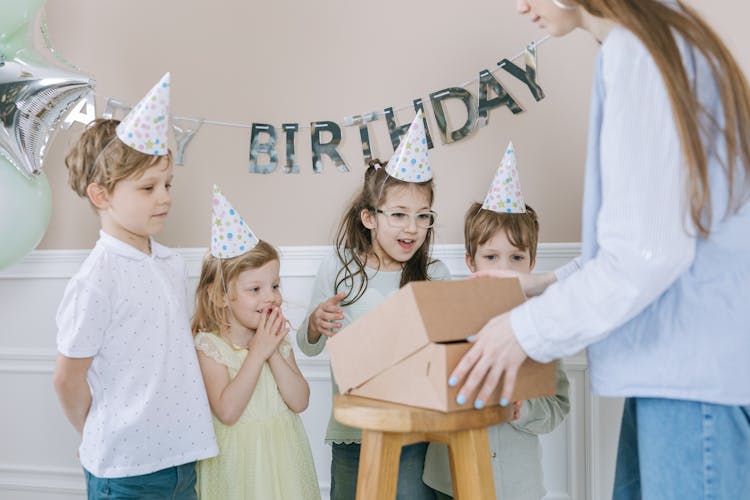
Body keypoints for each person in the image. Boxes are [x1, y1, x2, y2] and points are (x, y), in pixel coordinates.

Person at [450, 1, 750, 498]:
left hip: (689, 383)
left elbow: (645, 257)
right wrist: (538, 284)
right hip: (684, 372)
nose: (524, 5)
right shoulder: (665, 43)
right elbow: (659, 237)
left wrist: (521, 331)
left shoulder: (639, 55)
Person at [53, 73, 218, 499]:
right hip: (127, 470)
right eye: (148, 187)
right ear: (101, 194)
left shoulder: (169, 263)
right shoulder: (96, 280)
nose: (164, 197)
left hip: (182, 458)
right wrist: (95, 432)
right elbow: (68, 379)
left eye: (167, 184)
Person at [297, 112, 450, 500]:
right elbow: (308, 344)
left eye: (422, 217)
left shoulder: (435, 273)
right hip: (353, 433)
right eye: (398, 215)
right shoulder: (338, 268)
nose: (411, 228)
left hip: (415, 431)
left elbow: (447, 351)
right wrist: (316, 322)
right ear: (369, 217)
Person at [423, 143, 570, 500]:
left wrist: (523, 407)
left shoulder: (542, 323)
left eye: (516, 257)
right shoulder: (449, 314)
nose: (503, 269)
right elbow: (426, 385)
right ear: (471, 261)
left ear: (531, 262)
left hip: (515, 487)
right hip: (450, 481)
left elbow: (557, 406)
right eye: (491, 256)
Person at [192, 186, 320, 499]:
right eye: (255, 289)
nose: (271, 297)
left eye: (275, 285)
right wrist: (257, 352)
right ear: (222, 296)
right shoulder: (210, 346)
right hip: (237, 467)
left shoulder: (277, 337)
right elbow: (228, 411)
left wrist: (272, 351)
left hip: (284, 461)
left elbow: (300, 400)